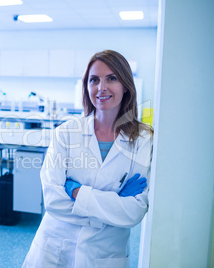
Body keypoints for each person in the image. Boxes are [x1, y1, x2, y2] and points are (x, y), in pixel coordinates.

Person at [22, 50, 153, 268]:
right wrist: (114, 201)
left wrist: (75, 192)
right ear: (87, 87)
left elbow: (135, 211)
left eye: (111, 78)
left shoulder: (143, 139)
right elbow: (53, 201)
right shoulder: (66, 132)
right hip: (54, 250)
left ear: (126, 85)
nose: (101, 87)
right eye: (94, 80)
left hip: (106, 254)